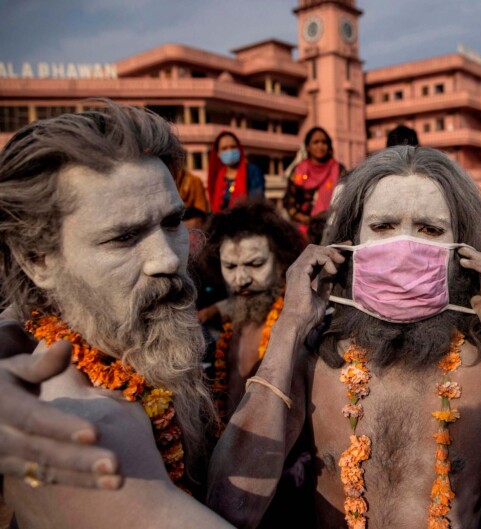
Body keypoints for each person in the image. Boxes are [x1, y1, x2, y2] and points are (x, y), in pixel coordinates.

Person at [207, 146, 481, 529]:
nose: (403, 247)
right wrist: (289, 329)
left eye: (429, 229)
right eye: (383, 226)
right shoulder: (314, 361)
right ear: (348, 242)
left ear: (465, 249)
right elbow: (232, 507)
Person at [0, 103, 233, 527]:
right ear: (39, 261)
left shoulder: (139, 349)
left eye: (172, 221)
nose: (166, 259)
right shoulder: (80, 432)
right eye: (124, 237)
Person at [198, 199, 305, 422]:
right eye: (230, 266)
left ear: (282, 261)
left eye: (255, 264)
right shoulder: (230, 324)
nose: (241, 279)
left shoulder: (300, 325)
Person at [282, 127, 345, 229]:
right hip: (304, 227)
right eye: (316, 142)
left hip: (333, 227)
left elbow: (345, 198)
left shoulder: (338, 169)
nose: (320, 146)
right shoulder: (299, 170)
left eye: (324, 142)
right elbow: (289, 200)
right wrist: (303, 219)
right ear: (308, 147)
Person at [207, 130, 265, 212]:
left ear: (239, 149)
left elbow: (256, 203)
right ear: (218, 153)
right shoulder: (218, 176)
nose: (229, 151)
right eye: (224, 148)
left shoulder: (252, 172)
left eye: (233, 147)